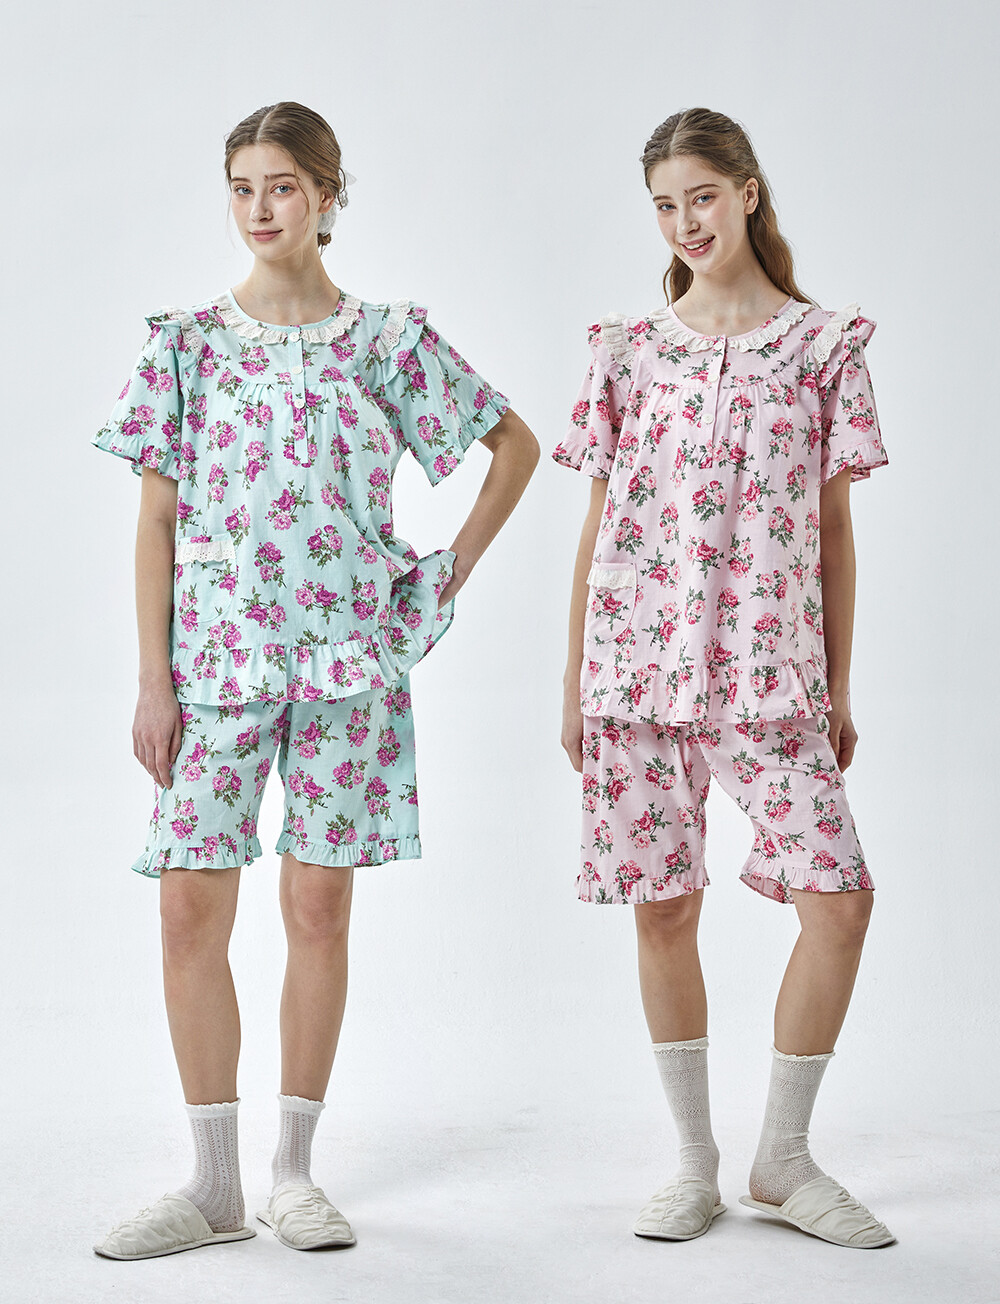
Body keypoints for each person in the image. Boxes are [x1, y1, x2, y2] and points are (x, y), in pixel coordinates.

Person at [91, 101, 538, 1260]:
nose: (259, 207)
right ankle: (212, 1184)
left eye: (282, 185)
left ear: (328, 196)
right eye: (242, 186)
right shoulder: (185, 346)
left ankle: (292, 1171)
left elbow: (514, 447)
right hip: (216, 669)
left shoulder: (384, 342)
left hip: (349, 667)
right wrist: (153, 678)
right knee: (187, 908)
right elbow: (155, 521)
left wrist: (439, 577)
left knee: (316, 908)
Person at [554, 107, 894, 1249]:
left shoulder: (825, 346)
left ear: (748, 191)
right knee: (663, 907)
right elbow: (598, 523)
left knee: (837, 901)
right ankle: (693, 1162)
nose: (685, 222)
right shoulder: (625, 349)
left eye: (702, 195)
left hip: (769, 673)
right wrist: (573, 683)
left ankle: (782, 1159)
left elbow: (833, 533)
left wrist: (836, 686)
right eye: (665, 205)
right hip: (635, 670)